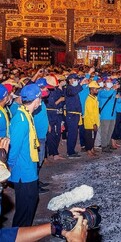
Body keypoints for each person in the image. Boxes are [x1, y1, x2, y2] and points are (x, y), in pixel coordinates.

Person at [8, 84, 42, 227]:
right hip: (23, 172)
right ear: (36, 99)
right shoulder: (21, 120)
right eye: (40, 97)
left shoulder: (27, 114)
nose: (41, 100)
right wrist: (9, 167)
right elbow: (14, 148)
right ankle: (19, 236)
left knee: (30, 204)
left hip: (29, 168)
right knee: (24, 211)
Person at [44, 74, 66, 161]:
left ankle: (54, 152)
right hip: (51, 114)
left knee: (57, 134)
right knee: (52, 135)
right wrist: (60, 100)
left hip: (57, 114)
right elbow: (53, 104)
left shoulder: (55, 90)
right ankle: (52, 154)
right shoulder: (48, 92)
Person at [64, 73, 85, 158]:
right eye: (74, 79)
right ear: (70, 80)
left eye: (77, 79)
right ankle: (70, 152)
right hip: (71, 114)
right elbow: (73, 92)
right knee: (72, 134)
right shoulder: (68, 89)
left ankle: (72, 150)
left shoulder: (72, 88)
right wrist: (81, 84)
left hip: (75, 114)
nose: (76, 81)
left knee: (74, 133)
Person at [97, 78, 118, 153]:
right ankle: (104, 146)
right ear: (104, 84)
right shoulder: (101, 92)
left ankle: (108, 145)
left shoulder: (114, 92)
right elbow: (106, 95)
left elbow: (117, 101)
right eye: (108, 82)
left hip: (112, 115)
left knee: (110, 131)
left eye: (110, 82)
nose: (110, 83)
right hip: (105, 115)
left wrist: (119, 98)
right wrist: (113, 90)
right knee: (104, 131)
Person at [83, 81, 100, 157]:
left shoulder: (94, 98)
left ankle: (91, 148)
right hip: (90, 122)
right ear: (91, 90)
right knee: (89, 137)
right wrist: (94, 123)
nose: (97, 90)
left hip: (94, 121)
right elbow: (90, 113)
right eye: (95, 89)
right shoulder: (89, 99)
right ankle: (89, 150)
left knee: (93, 137)